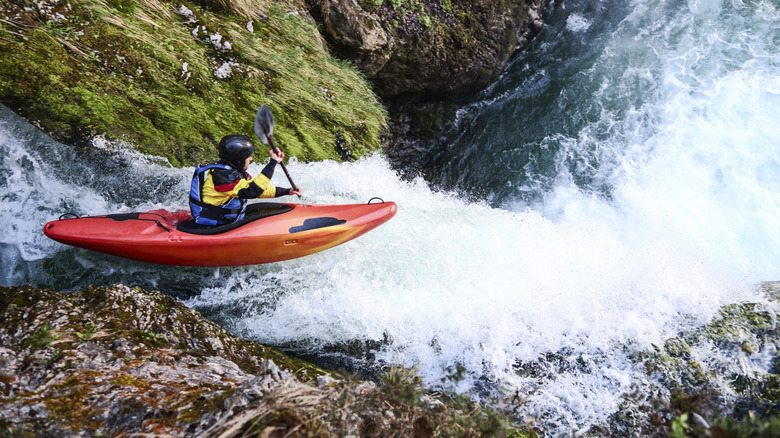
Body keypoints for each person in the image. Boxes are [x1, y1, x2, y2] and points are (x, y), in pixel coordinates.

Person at [189, 134, 302, 225]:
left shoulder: (233, 171)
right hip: (215, 222)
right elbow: (253, 190)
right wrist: (272, 163)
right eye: (248, 157)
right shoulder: (222, 177)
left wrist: (287, 191)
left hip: (228, 217)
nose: (251, 159)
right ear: (238, 160)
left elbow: (259, 189)